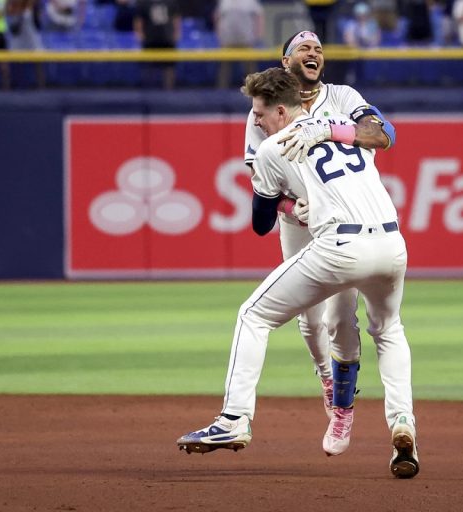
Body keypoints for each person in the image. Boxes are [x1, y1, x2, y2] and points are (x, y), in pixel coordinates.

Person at [177, 67, 419, 479]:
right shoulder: (346, 128)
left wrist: (284, 204)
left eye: (261, 112)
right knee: (389, 330)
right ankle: (403, 426)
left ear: (283, 112)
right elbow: (383, 135)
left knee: (254, 315)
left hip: (340, 246)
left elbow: (259, 222)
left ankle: (234, 418)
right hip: (392, 243)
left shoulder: (272, 148)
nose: (256, 120)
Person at [242, 30, 397, 456]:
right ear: (286, 60)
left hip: (342, 220)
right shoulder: (264, 110)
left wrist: (332, 128)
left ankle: (343, 407)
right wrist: (294, 211)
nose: (314, 53)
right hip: (299, 221)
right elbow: (263, 185)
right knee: (308, 321)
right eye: (304, 48)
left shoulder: (342, 95)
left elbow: (387, 135)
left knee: (340, 318)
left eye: (319, 49)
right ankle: (325, 376)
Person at [214, 0, 265, 88]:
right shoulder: (224, 1)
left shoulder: (251, 2)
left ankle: (254, 89)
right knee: (224, 68)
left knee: (250, 67)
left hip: (246, 39)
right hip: (228, 39)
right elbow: (217, 16)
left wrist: (258, 33)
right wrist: (218, 34)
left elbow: (259, 16)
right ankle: (221, 90)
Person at [133, 0, 181, 89]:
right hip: (150, 39)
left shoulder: (171, 2)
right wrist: (140, 33)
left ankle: (169, 89)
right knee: (148, 66)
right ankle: (148, 88)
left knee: (169, 67)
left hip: (167, 38)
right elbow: (138, 19)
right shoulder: (143, 3)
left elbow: (176, 17)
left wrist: (176, 32)